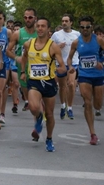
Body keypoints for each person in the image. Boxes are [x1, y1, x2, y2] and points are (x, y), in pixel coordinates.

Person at [20, 17, 66, 152]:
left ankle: (49, 139)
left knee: (50, 114)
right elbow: (24, 58)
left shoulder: (53, 46)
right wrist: (23, 71)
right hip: (34, 81)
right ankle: (39, 117)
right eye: (38, 26)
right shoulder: (29, 44)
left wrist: (57, 70)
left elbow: (62, 67)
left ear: (48, 29)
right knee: (33, 107)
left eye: (43, 26)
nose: (40, 28)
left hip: (49, 82)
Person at [67, 16, 104, 145]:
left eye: (87, 27)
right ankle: (92, 133)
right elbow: (69, 58)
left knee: (97, 104)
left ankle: (97, 106)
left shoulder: (99, 40)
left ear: (91, 27)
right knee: (87, 102)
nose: (85, 29)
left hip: (98, 75)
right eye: (82, 27)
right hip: (84, 75)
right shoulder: (76, 42)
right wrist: (71, 67)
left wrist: (101, 62)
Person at [6, 8, 38, 113]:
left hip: (38, 68)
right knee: (28, 95)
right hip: (23, 69)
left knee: (37, 96)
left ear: (35, 18)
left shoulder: (40, 33)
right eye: (25, 17)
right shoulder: (18, 34)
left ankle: (40, 115)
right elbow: (8, 51)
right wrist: (16, 58)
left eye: (30, 17)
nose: (27, 19)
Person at [50, 14, 79, 120]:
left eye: (66, 21)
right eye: (62, 21)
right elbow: (50, 48)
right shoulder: (56, 35)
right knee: (62, 87)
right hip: (61, 63)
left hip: (73, 62)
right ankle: (63, 106)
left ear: (71, 22)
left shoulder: (77, 34)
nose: (64, 23)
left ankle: (70, 108)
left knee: (71, 84)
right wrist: (58, 47)